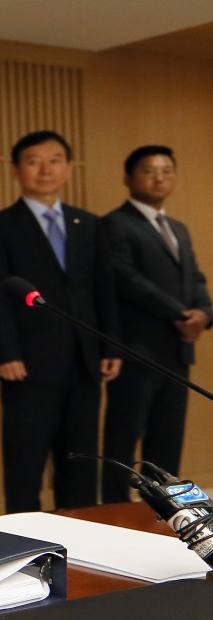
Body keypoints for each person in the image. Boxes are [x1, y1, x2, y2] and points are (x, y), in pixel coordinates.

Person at [0, 131, 120, 514]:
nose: (45, 169)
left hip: (85, 362)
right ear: (16, 171)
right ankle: (27, 549)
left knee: (82, 466)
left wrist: (109, 346)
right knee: (26, 465)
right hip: (28, 364)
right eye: (34, 161)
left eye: (55, 160)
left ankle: (85, 545)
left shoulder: (90, 224)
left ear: (69, 168)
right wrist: (5, 352)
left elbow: (104, 291)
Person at [101, 146, 212, 500]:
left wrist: (204, 314)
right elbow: (126, 278)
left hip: (177, 350)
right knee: (123, 439)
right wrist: (181, 314)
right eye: (149, 171)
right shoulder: (114, 223)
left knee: (167, 440)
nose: (159, 177)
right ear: (128, 178)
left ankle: (166, 511)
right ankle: (115, 511)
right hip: (136, 351)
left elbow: (194, 277)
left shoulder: (176, 227)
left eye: (167, 170)